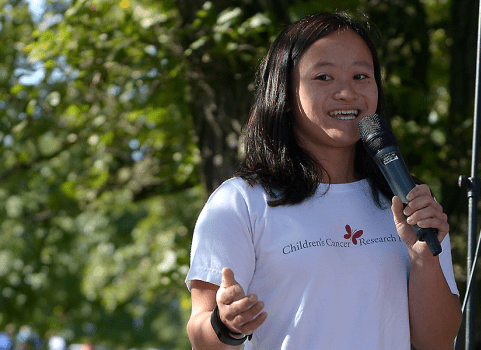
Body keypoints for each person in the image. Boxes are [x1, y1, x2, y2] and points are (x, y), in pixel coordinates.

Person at [185, 12, 462, 349]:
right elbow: (200, 335)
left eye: (361, 75)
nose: (346, 92)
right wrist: (225, 324)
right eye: (324, 77)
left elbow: (438, 342)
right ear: (284, 95)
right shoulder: (240, 201)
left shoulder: (409, 201)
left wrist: (423, 257)